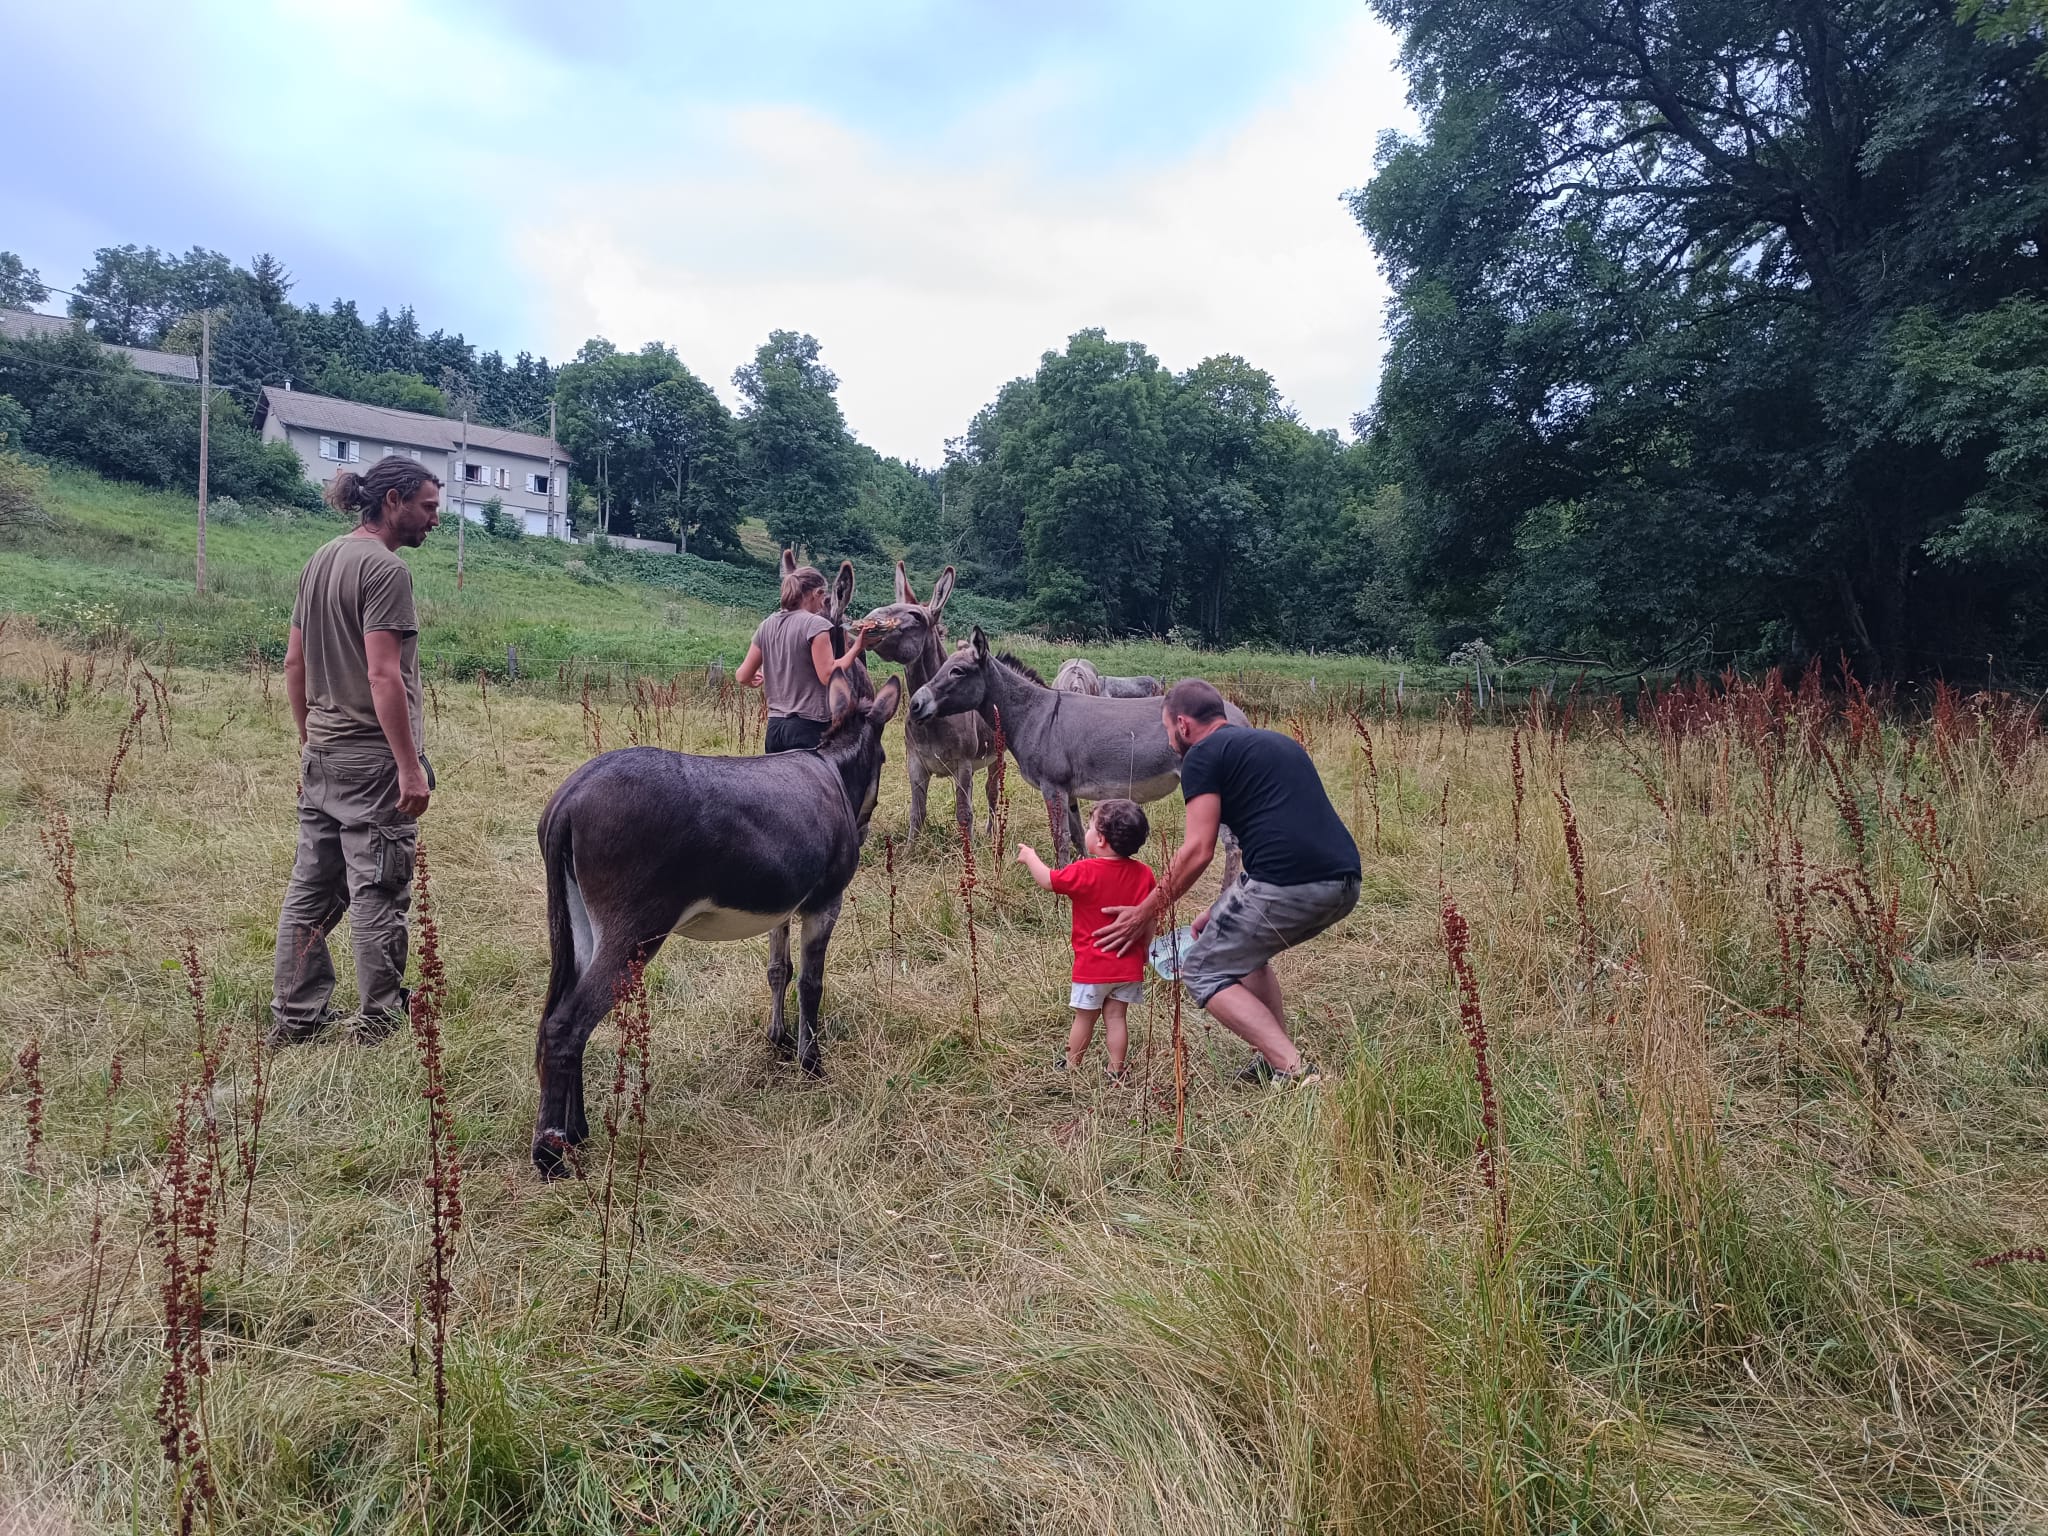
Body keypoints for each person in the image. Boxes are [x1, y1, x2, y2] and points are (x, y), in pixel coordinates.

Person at [1095, 679, 1360, 1087]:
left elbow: (1198, 850)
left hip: (1288, 884)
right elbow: (1278, 838)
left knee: (1202, 970)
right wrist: (1217, 910)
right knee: (1249, 954)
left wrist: (1144, 912)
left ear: (1183, 725)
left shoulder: (1202, 755)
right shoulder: (1276, 743)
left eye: (1168, 731)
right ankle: (1272, 1062)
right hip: (1343, 881)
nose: (1169, 742)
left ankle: (1297, 1073)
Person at [269, 456, 442, 1046]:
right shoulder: (385, 570)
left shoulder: (322, 558)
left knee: (310, 891)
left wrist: (308, 741)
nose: (434, 519)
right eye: (428, 506)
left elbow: (294, 663)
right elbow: (383, 675)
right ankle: (379, 1020)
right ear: (392, 501)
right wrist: (408, 766)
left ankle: (294, 1018)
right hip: (373, 762)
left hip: (323, 751)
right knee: (379, 890)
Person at [1018, 799, 1157, 1082]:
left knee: (1085, 1018)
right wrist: (1145, 949)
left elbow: (1048, 880)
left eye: (1090, 826)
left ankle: (1071, 1065)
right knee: (1117, 1018)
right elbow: (1149, 918)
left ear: (1101, 840)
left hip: (1092, 967)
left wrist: (1030, 856)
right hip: (1127, 966)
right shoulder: (1145, 874)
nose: (1086, 830)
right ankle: (1116, 1069)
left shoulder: (1085, 871)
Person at [736, 563, 870, 753]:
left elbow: (742, 676)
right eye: (822, 597)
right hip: (808, 726)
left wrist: (753, 679)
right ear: (816, 593)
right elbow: (827, 674)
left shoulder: (766, 625)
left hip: (775, 728)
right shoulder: (816, 625)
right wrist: (857, 647)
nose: (822, 603)